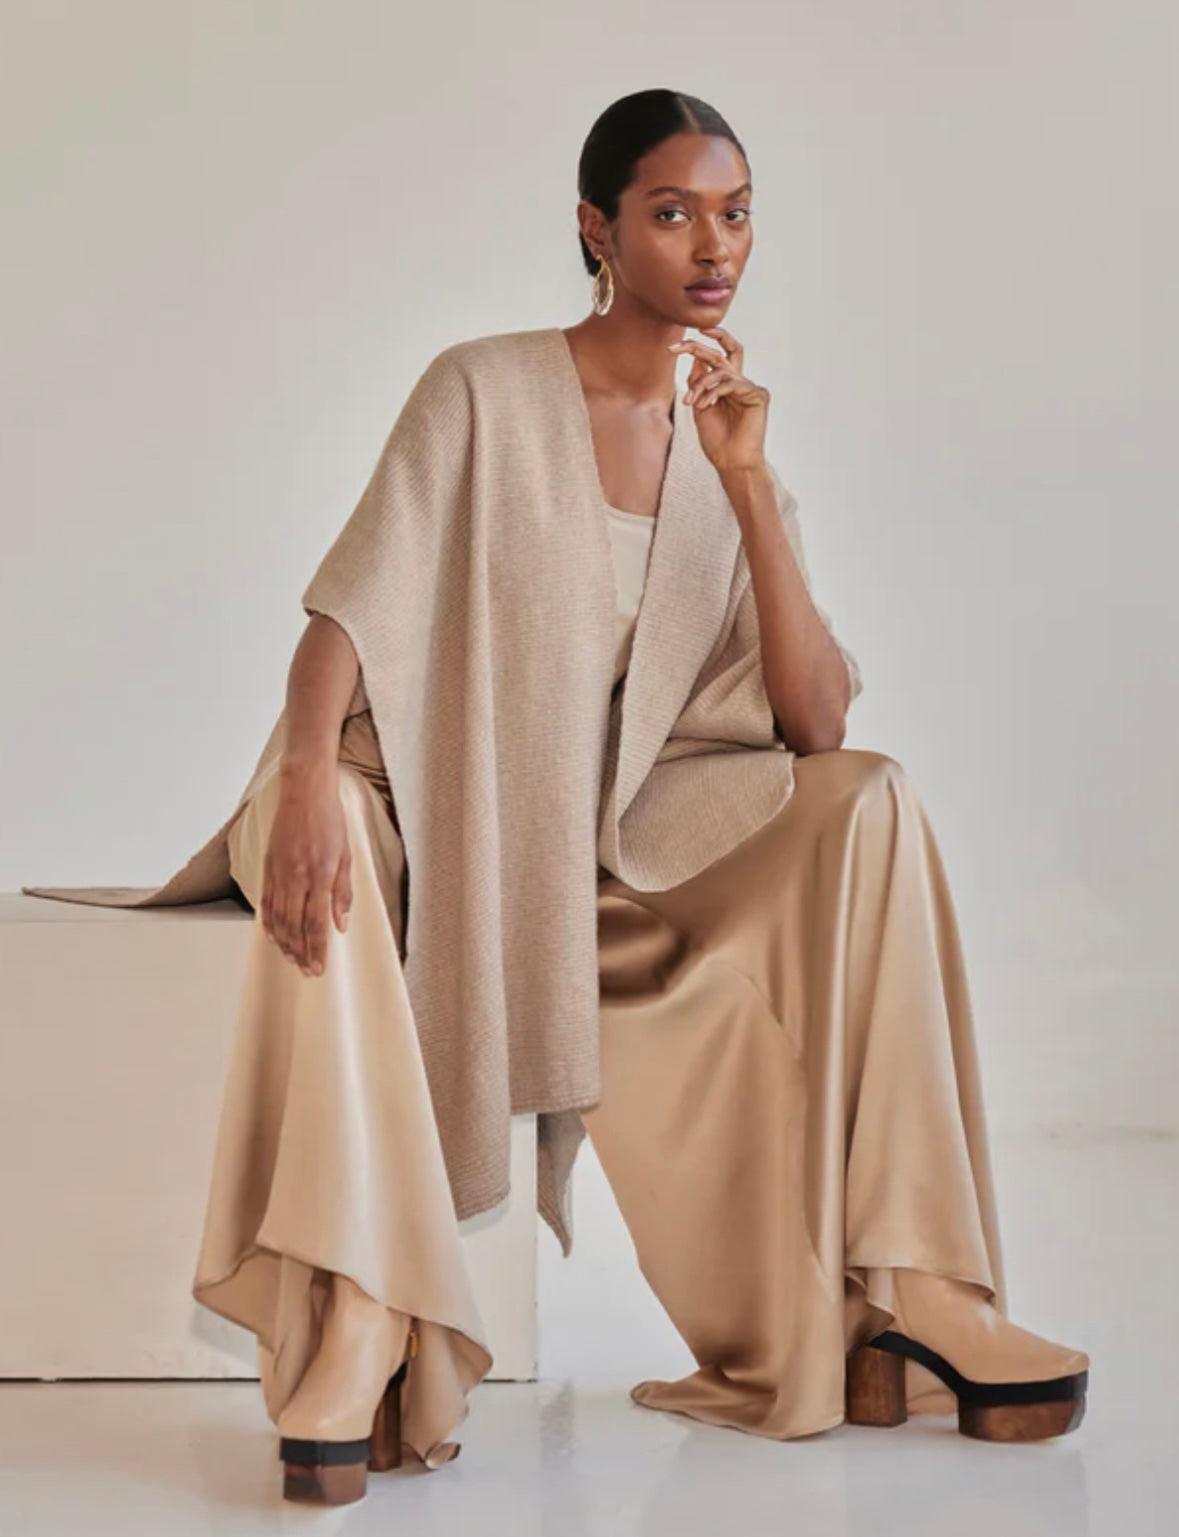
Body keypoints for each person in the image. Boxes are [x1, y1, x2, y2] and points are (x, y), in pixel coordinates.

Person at [22, 89, 1090, 1506]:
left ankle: (918, 1288)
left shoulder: (724, 447)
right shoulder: (482, 388)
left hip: (604, 852)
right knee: (339, 850)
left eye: (736, 213)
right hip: (425, 808)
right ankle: (364, 1318)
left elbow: (815, 721)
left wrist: (749, 484)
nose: (713, 245)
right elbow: (350, 605)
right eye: (673, 211)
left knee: (868, 797)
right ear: (597, 228)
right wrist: (303, 774)